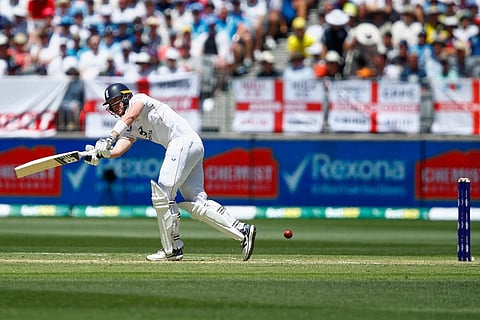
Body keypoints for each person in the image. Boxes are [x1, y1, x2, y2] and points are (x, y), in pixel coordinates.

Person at [86, 83, 257, 262]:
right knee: (196, 202)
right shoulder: (128, 127)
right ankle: (242, 231)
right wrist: (103, 154)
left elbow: (131, 115)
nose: (115, 107)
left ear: (126, 97)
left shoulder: (139, 99)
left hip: (182, 142)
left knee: (163, 195)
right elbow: (120, 149)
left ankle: (172, 249)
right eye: (111, 105)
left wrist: (110, 137)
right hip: (191, 145)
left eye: (116, 101)